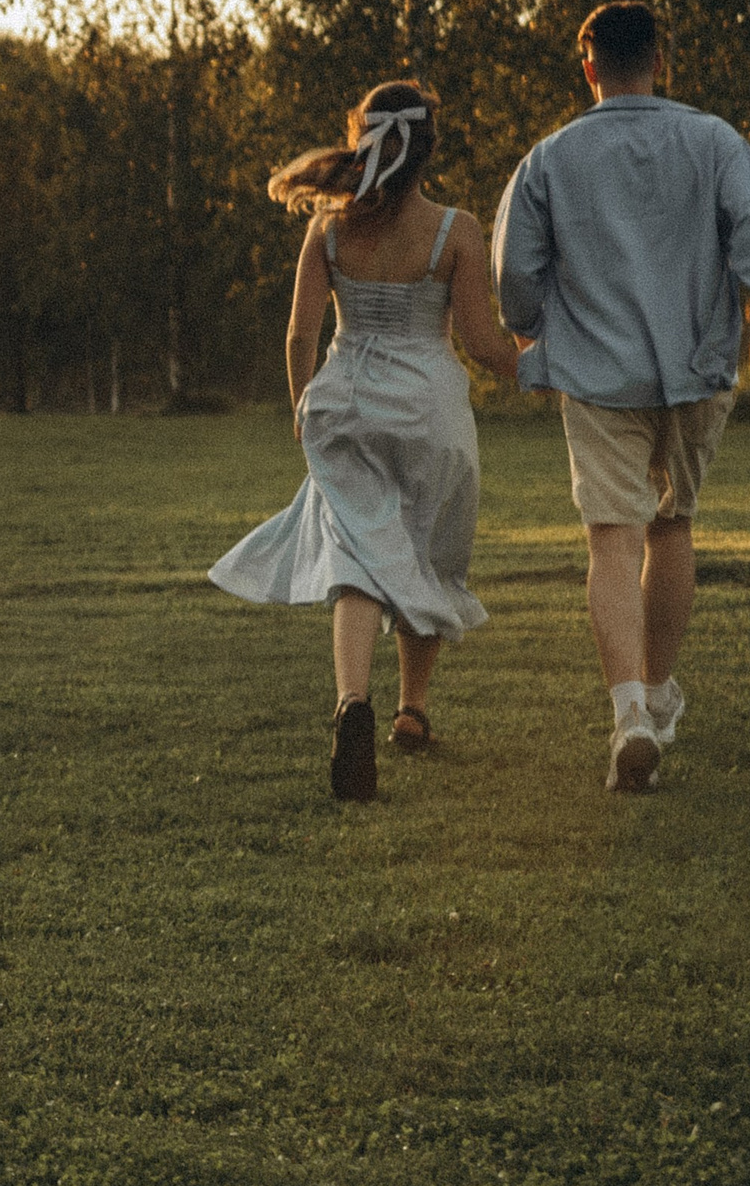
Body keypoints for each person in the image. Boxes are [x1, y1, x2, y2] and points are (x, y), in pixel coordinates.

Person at [494, 2, 750, 793]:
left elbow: (513, 277)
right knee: (672, 526)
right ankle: (660, 693)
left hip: (599, 376)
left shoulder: (550, 158)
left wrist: (533, 327)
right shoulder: (713, 140)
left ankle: (631, 711)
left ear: (589, 65)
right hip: (696, 369)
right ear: (659, 60)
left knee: (612, 540)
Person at [211, 82, 525, 802]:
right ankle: (412, 708)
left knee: (355, 554)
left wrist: (301, 404)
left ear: (361, 138)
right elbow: (480, 343)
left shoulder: (326, 230)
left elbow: (300, 332)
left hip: (345, 401)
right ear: (429, 149)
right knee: (428, 551)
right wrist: (544, 364)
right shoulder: (458, 229)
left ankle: (353, 701)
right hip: (430, 411)